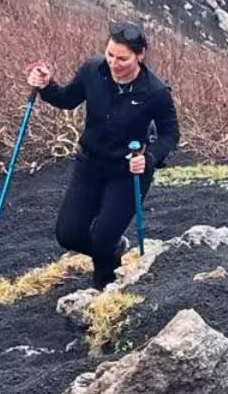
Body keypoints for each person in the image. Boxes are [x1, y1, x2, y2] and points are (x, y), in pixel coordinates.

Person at [25, 20, 180, 289]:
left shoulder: (155, 92)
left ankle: (105, 287)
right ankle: (114, 252)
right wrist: (46, 85)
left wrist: (150, 158)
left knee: (101, 239)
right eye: (110, 54)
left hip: (128, 172)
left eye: (122, 58)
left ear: (140, 55)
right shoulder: (91, 71)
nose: (114, 62)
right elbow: (66, 99)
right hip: (90, 165)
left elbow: (170, 134)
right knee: (68, 235)